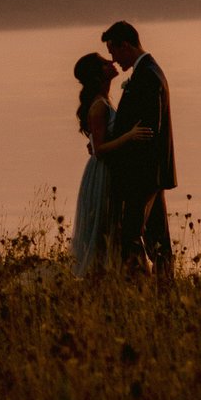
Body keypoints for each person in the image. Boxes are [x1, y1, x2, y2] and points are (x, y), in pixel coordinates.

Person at [97, 20, 176, 278]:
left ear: (126, 45)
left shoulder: (148, 76)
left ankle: (138, 285)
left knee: (131, 233)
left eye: (114, 52)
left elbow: (148, 131)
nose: (114, 59)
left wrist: (118, 152)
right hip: (150, 173)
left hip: (144, 173)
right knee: (156, 237)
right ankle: (163, 287)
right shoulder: (147, 72)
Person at [69, 52, 116, 276]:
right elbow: (99, 149)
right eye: (104, 62)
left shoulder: (105, 101)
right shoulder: (99, 105)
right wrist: (132, 136)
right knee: (101, 228)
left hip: (106, 169)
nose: (111, 62)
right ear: (99, 74)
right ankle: (96, 278)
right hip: (102, 172)